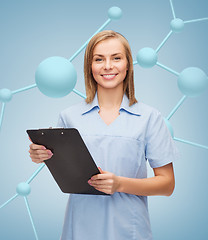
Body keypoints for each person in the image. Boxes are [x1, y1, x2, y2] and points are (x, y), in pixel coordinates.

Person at [29, 30, 179, 240]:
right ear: (90, 67)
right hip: (79, 228)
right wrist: (41, 155)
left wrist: (120, 184)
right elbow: (64, 168)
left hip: (130, 230)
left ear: (128, 65)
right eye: (99, 59)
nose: (108, 66)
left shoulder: (150, 118)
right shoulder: (69, 117)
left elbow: (167, 184)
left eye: (116, 58)